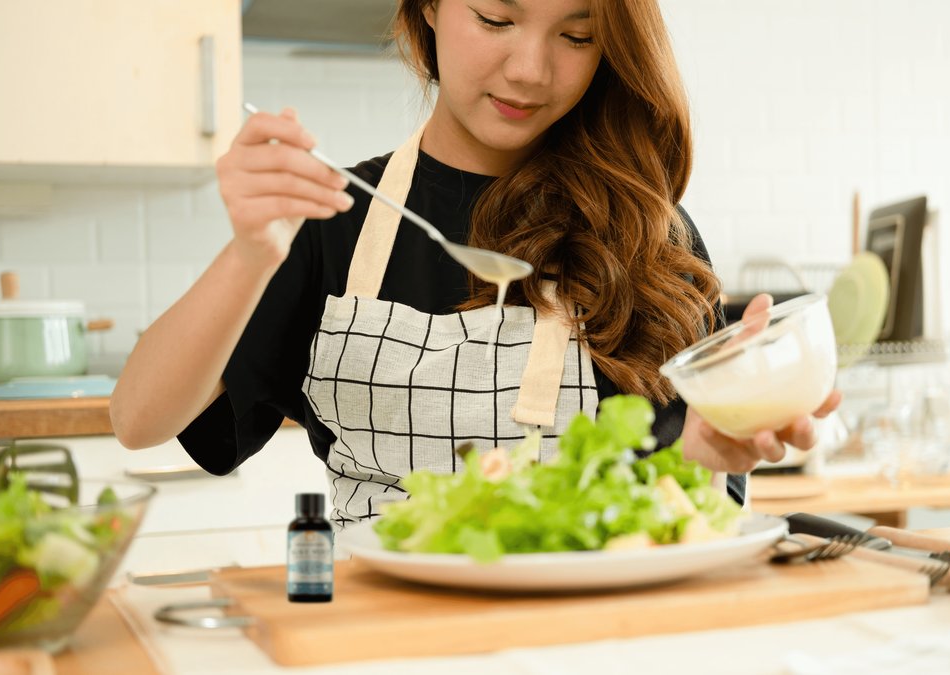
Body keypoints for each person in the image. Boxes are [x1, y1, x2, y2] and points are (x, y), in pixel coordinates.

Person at [111, 0, 840, 528]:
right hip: (383, 640)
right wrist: (249, 253)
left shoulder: (650, 234)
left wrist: (715, 447)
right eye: (496, 19)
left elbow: (688, 508)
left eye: (577, 34)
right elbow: (138, 418)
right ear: (428, 7)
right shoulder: (336, 222)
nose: (531, 70)